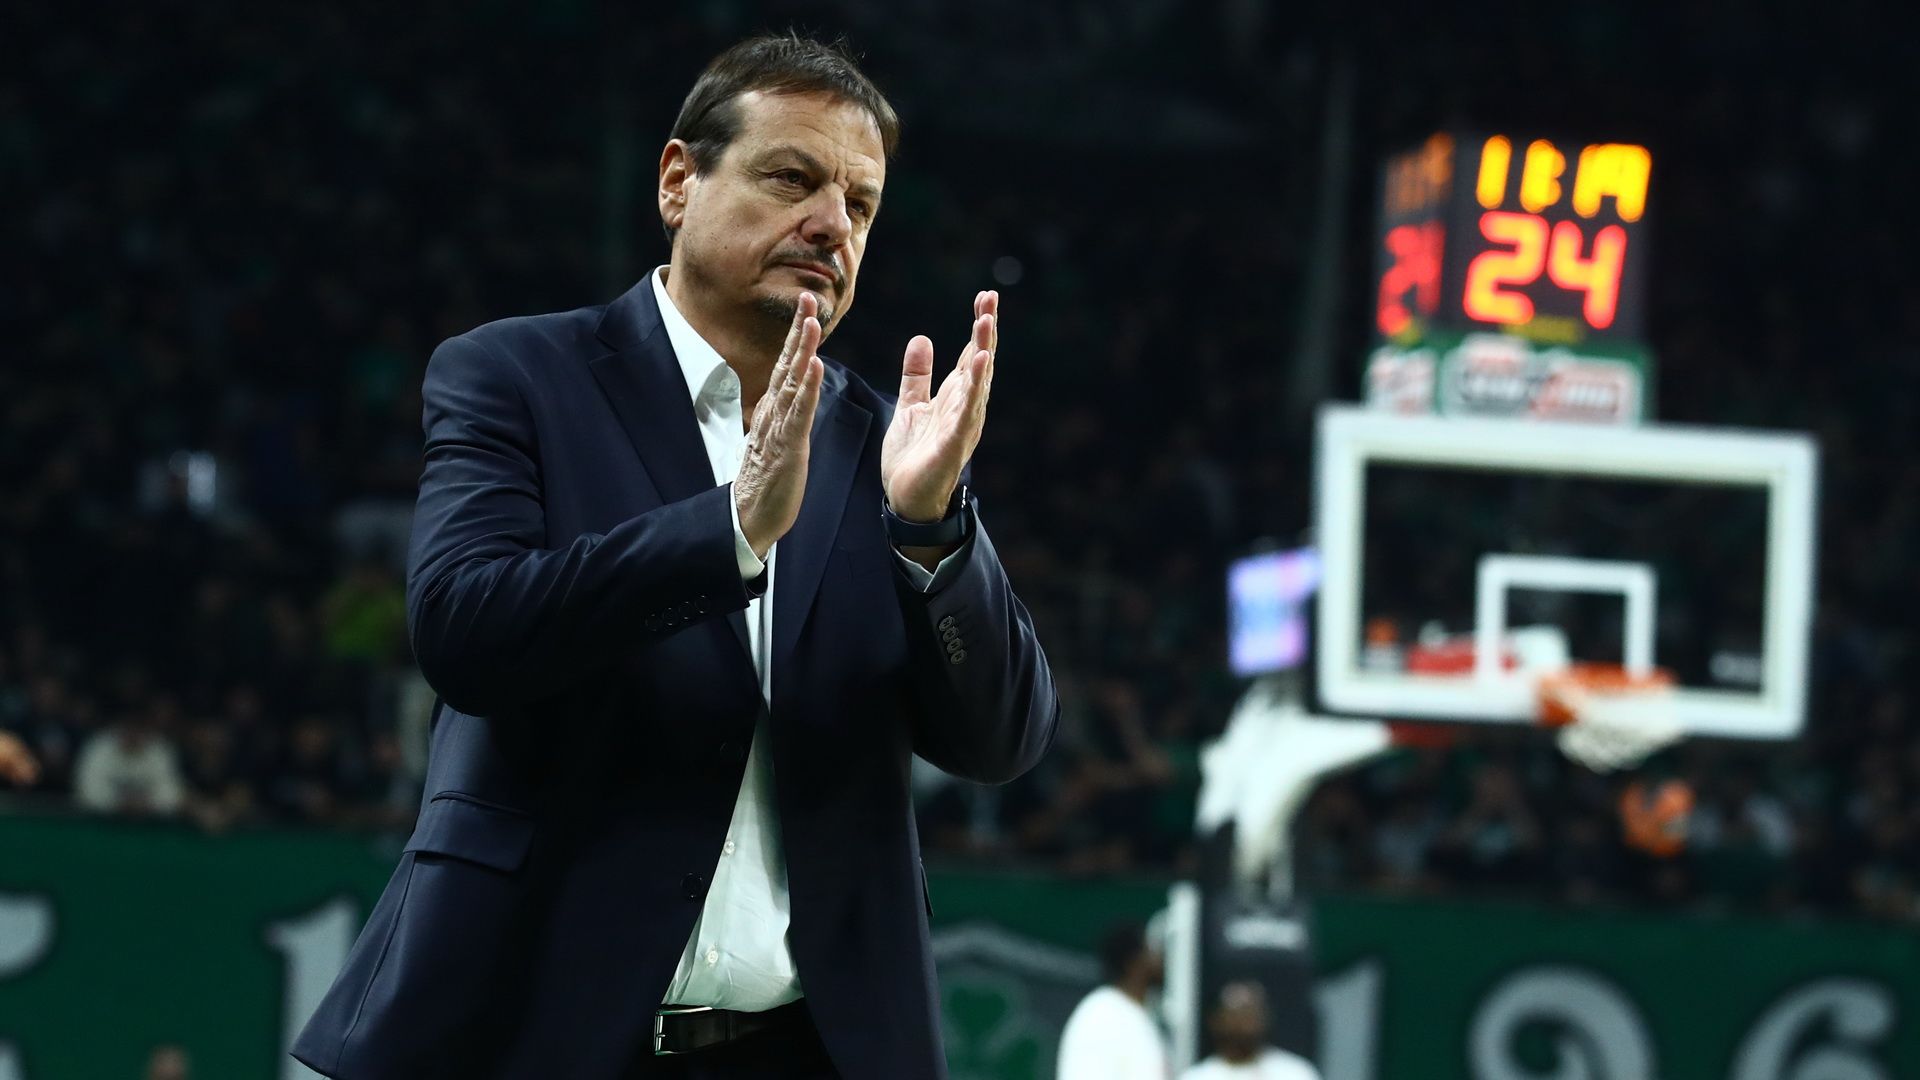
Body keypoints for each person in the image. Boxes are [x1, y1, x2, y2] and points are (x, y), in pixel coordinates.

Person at [293, 32, 1057, 1080]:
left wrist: (932, 530)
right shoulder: (517, 374)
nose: (831, 224)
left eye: (860, 204)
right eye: (791, 178)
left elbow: (1003, 742)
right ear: (677, 182)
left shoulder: (891, 446)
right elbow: (465, 631)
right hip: (533, 1034)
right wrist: (728, 531)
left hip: (804, 1051)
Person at [1057, 921, 1170, 1080]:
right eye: (1151, 951)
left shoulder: (1137, 1012)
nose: (1160, 959)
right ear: (1133, 962)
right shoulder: (1102, 1014)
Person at [1179, 982, 1319, 1080]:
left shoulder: (1296, 1073)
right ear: (1216, 1021)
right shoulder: (1197, 1077)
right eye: (1235, 1014)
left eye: (1250, 1013)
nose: (1243, 1023)